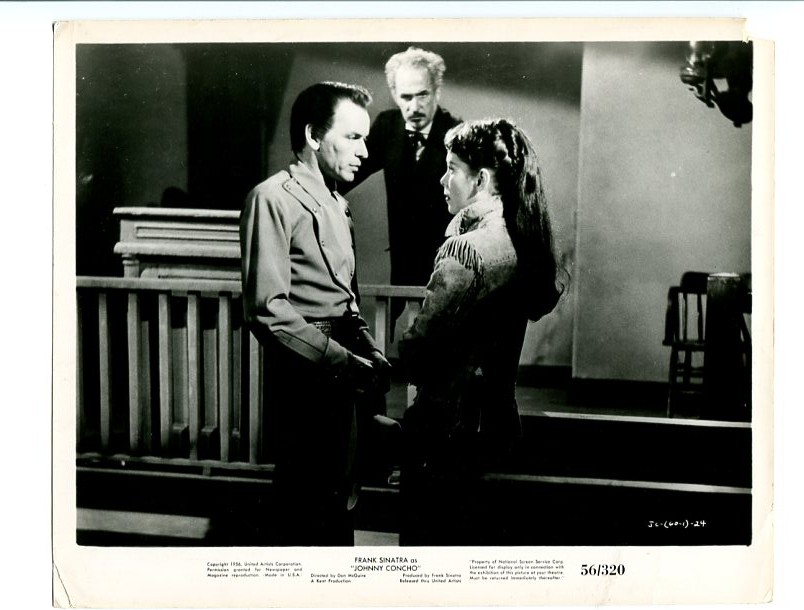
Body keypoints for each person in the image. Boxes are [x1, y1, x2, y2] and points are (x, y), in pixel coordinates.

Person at [397, 118, 566, 546]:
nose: (443, 180)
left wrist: (405, 349)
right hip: (499, 425)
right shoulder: (523, 242)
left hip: (445, 432)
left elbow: (418, 350)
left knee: (428, 554)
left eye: (452, 168)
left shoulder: (466, 249)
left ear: (481, 180)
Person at [239, 81, 393, 546]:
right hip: (305, 370)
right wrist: (341, 360)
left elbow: (346, 298)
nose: (365, 151)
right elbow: (267, 309)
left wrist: (368, 348)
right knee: (304, 502)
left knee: (341, 498)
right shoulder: (272, 198)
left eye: (365, 138)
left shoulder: (339, 204)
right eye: (353, 137)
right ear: (312, 135)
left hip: (344, 365)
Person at [345, 46, 462, 325]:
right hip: (401, 268)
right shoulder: (387, 127)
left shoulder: (457, 133)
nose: (414, 107)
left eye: (422, 95)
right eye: (406, 97)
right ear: (394, 94)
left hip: (447, 266)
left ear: (437, 92)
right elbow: (346, 174)